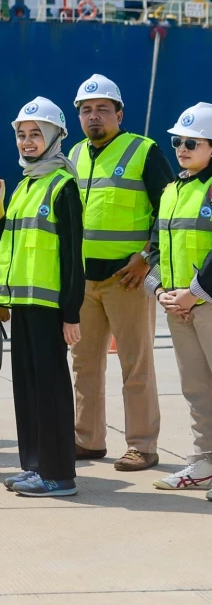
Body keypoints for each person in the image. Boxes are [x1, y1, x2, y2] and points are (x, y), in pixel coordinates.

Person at [68, 74, 173, 471]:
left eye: (102, 109)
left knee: (136, 365)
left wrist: (149, 256)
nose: (93, 116)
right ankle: (88, 440)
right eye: (86, 110)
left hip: (127, 279)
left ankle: (143, 446)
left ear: (119, 113)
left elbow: (170, 208)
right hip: (84, 282)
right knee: (84, 365)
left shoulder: (143, 151)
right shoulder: (73, 156)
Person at [0, 97, 84, 497]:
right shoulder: (27, 184)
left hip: (50, 308)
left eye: (35, 134)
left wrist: (71, 313)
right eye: (22, 135)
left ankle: (59, 474)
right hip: (25, 305)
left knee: (51, 391)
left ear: (55, 137)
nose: (27, 142)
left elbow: (71, 255)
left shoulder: (62, 186)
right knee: (26, 388)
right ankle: (35, 466)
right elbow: (15, 240)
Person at [149, 103, 212, 496]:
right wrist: (159, 289)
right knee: (196, 388)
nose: (181, 148)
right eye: (176, 141)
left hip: (205, 303)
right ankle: (204, 462)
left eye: (191, 142)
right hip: (178, 307)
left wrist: (194, 293)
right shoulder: (172, 190)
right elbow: (155, 247)